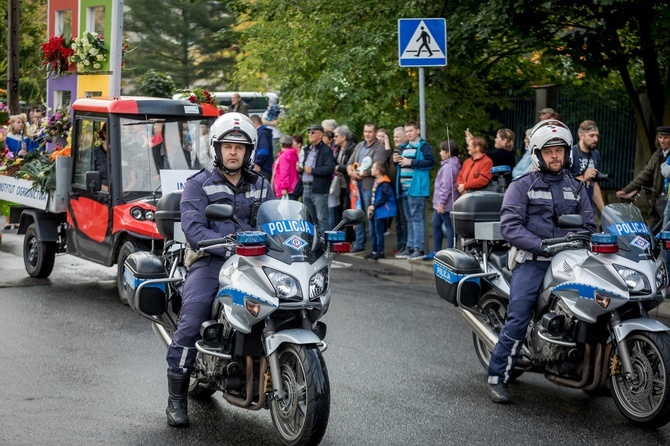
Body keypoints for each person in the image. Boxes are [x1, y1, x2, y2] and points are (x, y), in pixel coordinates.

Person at [165, 112, 274, 427]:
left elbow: (276, 220)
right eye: (228, 146)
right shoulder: (198, 184)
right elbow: (193, 229)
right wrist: (223, 243)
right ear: (217, 148)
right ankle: (175, 400)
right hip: (212, 260)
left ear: (248, 152)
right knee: (193, 317)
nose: (233, 152)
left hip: (255, 263)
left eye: (240, 147)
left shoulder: (262, 186)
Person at [487, 120, 597, 404]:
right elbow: (510, 226)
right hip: (534, 260)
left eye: (559, 150)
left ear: (567, 152)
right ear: (537, 154)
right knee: (519, 314)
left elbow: (590, 223)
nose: (555, 156)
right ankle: (498, 377)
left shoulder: (576, 187)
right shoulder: (522, 185)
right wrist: (539, 244)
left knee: (596, 304)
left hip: (571, 260)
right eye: (548, 151)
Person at [393, 120, 435, 260]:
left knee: (416, 218)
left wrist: (411, 162)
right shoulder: (404, 147)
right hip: (403, 187)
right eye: (407, 131)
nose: (408, 134)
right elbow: (400, 164)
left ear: (417, 131)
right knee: (409, 218)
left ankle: (418, 248)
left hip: (416, 188)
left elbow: (430, 163)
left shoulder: (424, 146)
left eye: (411, 131)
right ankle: (409, 247)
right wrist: (395, 160)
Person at [616, 126, 670, 230]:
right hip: (659, 201)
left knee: (665, 235)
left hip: (668, 200)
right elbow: (645, 174)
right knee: (654, 233)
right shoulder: (657, 155)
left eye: (666, 138)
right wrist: (627, 190)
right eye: (660, 137)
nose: (662, 141)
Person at [347, 122, 388, 253]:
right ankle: (359, 243)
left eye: (370, 132)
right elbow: (349, 162)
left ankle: (375, 248)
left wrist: (364, 173)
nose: (367, 134)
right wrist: (351, 172)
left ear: (375, 133)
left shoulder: (379, 148)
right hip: (357, 187)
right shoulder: (359, 146)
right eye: (365, 131)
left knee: (371, 216)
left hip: (370, 186)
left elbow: (378, 167)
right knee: (357, 215)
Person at [425, 140, 461, 260]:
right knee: (435, 224)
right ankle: (437, 251)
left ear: (448, 153)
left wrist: (441, 202)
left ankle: (451, 252)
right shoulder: (448, 165)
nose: (440, 153)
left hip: (445, 204)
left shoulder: (449, 167)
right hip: (441, 204)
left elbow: (446, 186)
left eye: (442, 150)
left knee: (449, 226)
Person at [298, 125, 335, 231]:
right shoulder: (307, 149)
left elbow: (329, 169)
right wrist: (301, 169)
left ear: (321, 135)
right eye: (309, 132)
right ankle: (312, 245)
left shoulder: (326, 150)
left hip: (319, 189)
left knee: (321, 219)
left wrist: (312, 171)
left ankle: (323, 245)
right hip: (306, 187)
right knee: (309, 219)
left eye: (313, 132)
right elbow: (306, 167)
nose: (310, 134)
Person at [571, 120, 605, 212]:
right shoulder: (571, 153)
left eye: (597, 135)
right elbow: (562, 182)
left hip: (589, 209)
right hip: (572, 209)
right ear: (581, 136)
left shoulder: (595, 154)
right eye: (591, 135)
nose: (595, 139)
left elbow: (594, 184)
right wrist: (583, 177)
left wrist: (604, 211)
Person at [365, 161, 396, 260]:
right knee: (372, 231)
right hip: (374, 210)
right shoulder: (377, 181)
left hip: (380, 211)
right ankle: (374, 250)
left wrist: (374, 206)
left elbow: (385, 196)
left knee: (378, 232)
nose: (371, 170)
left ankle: (380, 251)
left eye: (373, 168)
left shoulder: (385, 183)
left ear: (377, 171)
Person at [391, 126, 408, 254]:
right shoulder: (397, 149)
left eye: (397, 136)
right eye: (394, 136)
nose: (395, 139)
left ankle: (406, 245)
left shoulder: (406, 149)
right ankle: (400, 244)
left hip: (404, 189)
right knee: (398, 220)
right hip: (397, 189)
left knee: (404, 220)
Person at [250, 114, 274, 180]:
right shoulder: (264, 133)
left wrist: (258, 163)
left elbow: (264, 150)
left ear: (254, 123)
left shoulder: (262, 133)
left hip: (263, 168)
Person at [93, 123, 109, 190]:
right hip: (101, 195)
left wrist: (126, 190)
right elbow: (90, 180)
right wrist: (108, 190)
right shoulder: (95, 153)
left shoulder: (123, 153)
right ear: (105, 134)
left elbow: (132, 178)